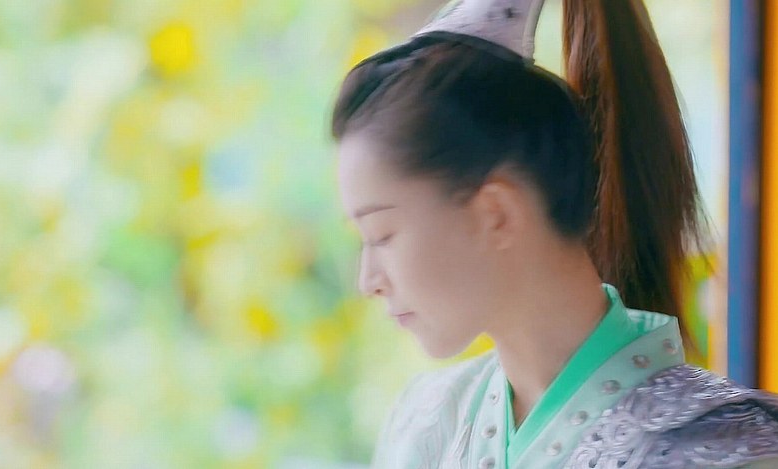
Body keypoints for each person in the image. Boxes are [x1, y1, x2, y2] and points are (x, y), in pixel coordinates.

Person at [331, 0, 778, 467]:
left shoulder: (729, 450)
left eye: (382, 234)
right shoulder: (425, 423)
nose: (368, 280)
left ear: (495, 213)